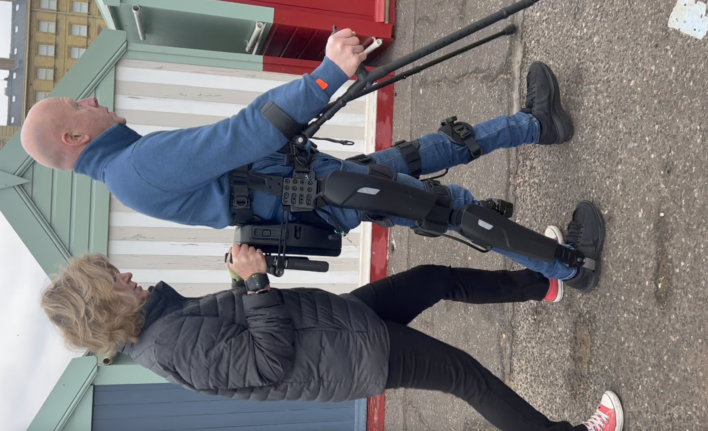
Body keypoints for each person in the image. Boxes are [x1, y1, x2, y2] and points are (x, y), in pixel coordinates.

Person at [21, 29, 605, 292]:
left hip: (317, 185)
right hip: (324, 195)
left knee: (422, 152)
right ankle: (570, 266)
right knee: (448, 209)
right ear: (72, 136)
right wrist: (326, 75)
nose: (91, 102)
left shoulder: (129, 168)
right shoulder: (136, 167)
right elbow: (242, 135)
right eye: (79, 105)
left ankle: (537, 124)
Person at [41, 244, 623, 431]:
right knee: (466, 376)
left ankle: (544, 282)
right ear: (105, 307)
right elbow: (268, 361)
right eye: (113, 281)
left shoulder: (164, 322)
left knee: (431, 279)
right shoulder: (168, 347)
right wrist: (255, 284)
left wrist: (243, 283)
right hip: (349, 356)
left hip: (337, 323)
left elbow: (238, 328)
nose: (125, 275)